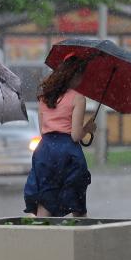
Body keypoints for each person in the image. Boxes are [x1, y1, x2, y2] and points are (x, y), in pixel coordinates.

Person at [24, 56, 97, 218]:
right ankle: (80, 240)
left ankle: (43, 240)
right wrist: (88, 128)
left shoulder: (45, 97)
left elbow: (44, 131)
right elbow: (75, 135)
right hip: (67, 152)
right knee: (76, 202)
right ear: (75, 76)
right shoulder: (78, 98)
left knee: (46, 200)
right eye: (81, 75)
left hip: (45, 150)